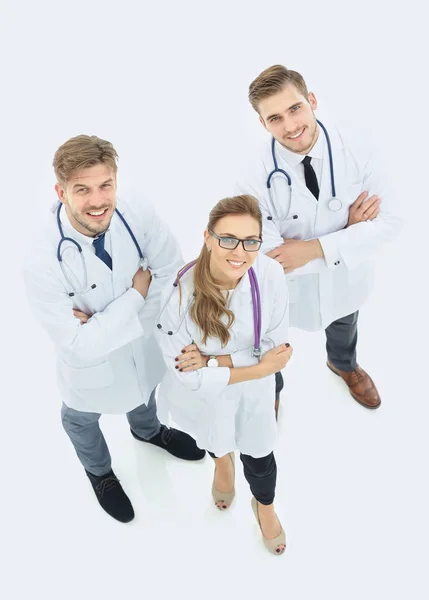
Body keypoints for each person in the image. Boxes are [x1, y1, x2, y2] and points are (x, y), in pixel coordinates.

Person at [21, 135, 205, 524]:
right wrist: (137, 295)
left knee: (144, 389)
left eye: (105, 185)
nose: (97, 200)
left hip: (144, 347)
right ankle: (100, 473)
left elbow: (172, 273)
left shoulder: (135, 211)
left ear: (116, 182)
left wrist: (103, 323)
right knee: (80, 418)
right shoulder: (40, 261)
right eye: (82, 189)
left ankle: (149, 432)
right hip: (90, 372)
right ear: (60, 191)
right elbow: (78, 346)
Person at [238, 65, 402, 416]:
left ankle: (343, 364)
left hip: (346, 280)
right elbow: (268, 258)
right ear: (263, 124)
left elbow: (392, 222)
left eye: (295, 108)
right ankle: (271, 386)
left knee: (345, 321)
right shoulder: (252, 175)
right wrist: (351, 233)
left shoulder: (359, 146)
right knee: (272, 342)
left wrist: (311, 249)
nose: (291, 126)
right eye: (275, 118)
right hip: (283, 292)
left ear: (311, 100)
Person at [155, 194, 293, 555]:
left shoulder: (269, 273)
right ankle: (222, 464)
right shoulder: (178, 295)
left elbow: (278, 348)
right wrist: (259, 366)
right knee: (215, 437)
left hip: (254, 393)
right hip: (209, 398)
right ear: (207, 237)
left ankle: (265, 507)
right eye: (228, 238)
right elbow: (188, 376)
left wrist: (216, 362)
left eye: (251, 241)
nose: (240, 251)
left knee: (261, 457)